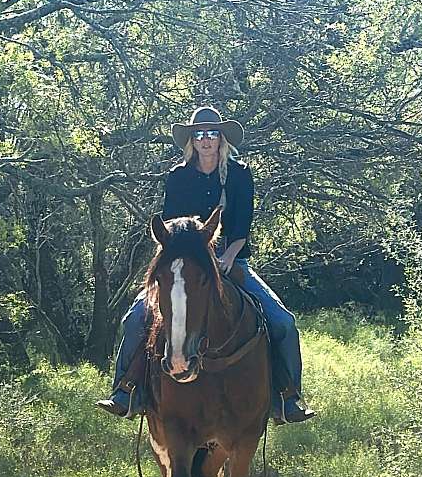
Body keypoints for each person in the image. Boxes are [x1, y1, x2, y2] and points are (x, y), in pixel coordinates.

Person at [98, 107, 315, 424]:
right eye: (199, 134)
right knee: (134, 320)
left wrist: (226, 258)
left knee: (282, 321)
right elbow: (171, 226)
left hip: (230, 259)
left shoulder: (240, 174)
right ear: (192, 141)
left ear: (221, 138)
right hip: (185, 263)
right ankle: (126, 390)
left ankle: (287, 396)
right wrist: (189, 259)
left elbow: (242, 225)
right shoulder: (178, 176)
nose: (205, 140)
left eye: (212, 133)